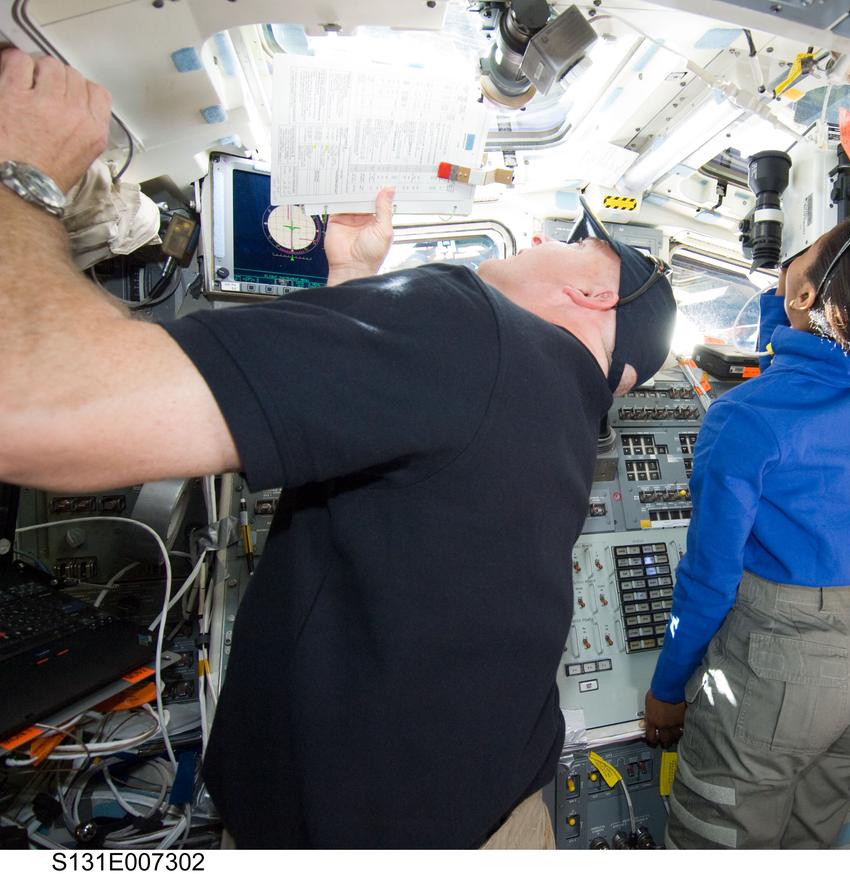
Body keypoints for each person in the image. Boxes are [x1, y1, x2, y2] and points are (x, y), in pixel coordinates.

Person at [0, 48, 676, 848]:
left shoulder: (469, 325)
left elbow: (36, 407)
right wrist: (353, 281)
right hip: (492, 818)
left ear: (595, 293)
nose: (538, 233)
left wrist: (24, 173)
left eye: (568, 239)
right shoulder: (562, 405)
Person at [643, 218, 850, 848]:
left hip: (780, 665)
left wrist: (669, 687)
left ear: (806, 297)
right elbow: (834, 342)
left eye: (801, 258)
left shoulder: (745, 415)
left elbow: (710, 575)